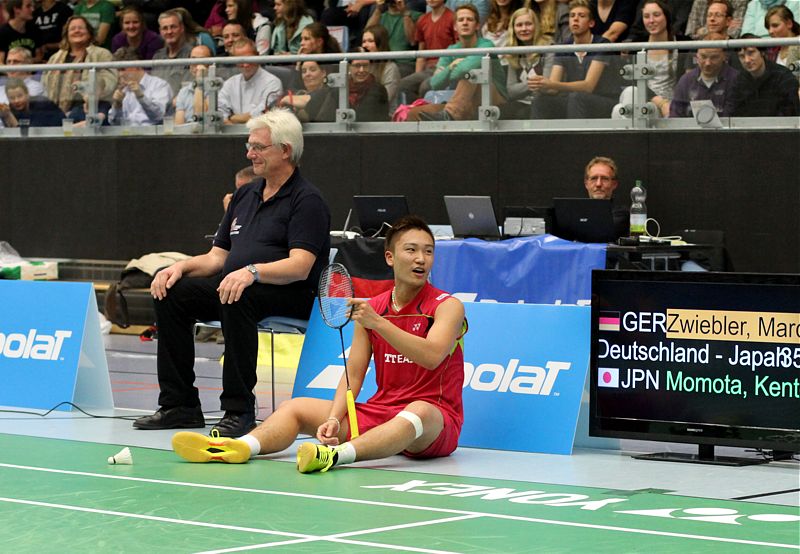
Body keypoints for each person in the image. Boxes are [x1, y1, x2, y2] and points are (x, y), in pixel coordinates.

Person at [171, 214, 468, 475]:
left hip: (435, 424)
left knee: (420, 410)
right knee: (296, 407)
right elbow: (354, 372)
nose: (421, 259)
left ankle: (334, 456)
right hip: (382, 413)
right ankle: (239, 448)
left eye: (428, 252)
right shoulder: (374, 307)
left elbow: (431, 356)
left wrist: (379, 323)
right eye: (412, 250)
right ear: (390, 257)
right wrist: (333, 418)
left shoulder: (446, 306)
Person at [133, 108, 331, 437]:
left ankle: (238, 411)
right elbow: (216, 257)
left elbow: (301, 265)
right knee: (174, 293)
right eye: (248, 146)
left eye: (258, 147)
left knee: (238, 294)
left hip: (294, 294)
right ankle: (179, 404)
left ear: (285, 150)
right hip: (240, 286)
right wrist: (179, 267)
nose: (249, 153)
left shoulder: (307, 200)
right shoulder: (245, 195)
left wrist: (252, 272)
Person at [410, 4, 507, 121]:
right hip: (463, 103)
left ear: (477, 26)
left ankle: (451, 114)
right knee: (415, 113)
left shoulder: (486, 45)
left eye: (469, 19)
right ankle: (446, 122)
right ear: (455, 26)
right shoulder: (451, 50)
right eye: (461, 20)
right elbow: (435, 83)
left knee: (471, 75)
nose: (465, 23)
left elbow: (464, 70)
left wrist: (451, 71)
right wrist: (450, 67)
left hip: (494, 100)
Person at [529, 0, 623, 119]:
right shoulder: (564, 47)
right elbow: (553, 88)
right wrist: (541, 84)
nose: (575, 19)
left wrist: (552, 84)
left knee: (576, 97)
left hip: (605, 101)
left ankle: (574, 138)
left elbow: (588, 86)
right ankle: (539, 138)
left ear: (591, 23)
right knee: (541, 101)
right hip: (575, 101)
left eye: (581, 16)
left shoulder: (601, 44)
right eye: (572, 16)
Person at [614, 0, 684, 117]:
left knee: (618, 110)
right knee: (630, 93)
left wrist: (664, 104)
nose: (651, 21)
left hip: (669, 105)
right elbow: (633, 81)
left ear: (666, 16)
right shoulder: (636, 46)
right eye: (646, 16)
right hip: (644, 98)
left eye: (656, 15)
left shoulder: (682, 44)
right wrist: (658, 101)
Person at [42, 15, 117, 120]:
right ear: (66, 34)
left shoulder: (102, 54)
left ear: (89, 33)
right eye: (72, 29)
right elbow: (44, 84)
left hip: (88, 107)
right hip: (56, 110)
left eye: (81, 28)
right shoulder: (54, 58)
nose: (77, 31)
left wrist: (93, 87)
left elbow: (110, 81)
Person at [396, 0, 457, 103]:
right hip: (428, 69)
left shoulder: (452, 17)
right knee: (403, 85)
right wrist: (417, 75)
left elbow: (458, 47)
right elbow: (421, 53)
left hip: (446, 67)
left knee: (425, 86)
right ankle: (409, 114)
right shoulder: (423, 20)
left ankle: (425, 114)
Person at [669, 32, 739, 117]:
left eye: (714, 57)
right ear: (697, 56)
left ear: (724, 56)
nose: (707, 63)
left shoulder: (736, 80)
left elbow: (734, 117)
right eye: (703, 56)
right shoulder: (686, 80)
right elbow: (675, 115)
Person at [501, 7, 552, 119]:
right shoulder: (513, 52)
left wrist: (523, 87)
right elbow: (510, 91)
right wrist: (533, 83)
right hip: (521, 103)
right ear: (513, 29)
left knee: (525, 112)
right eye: (519, 25)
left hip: (545, 102)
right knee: (498, 112)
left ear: (536, 26)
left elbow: (547, 85)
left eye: (528, 24)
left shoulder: (549, 48)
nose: (524, 29)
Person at [219, 38, 284, 124]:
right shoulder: (230, 83)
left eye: (249, 59)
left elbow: (263, 113)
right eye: (240, 61)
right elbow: (220, 111)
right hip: (233, 132)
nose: (245, 65)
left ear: (257, 55)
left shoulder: (272, 82)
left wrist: (233, 118)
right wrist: (227, 120)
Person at [731, 36, 800, 116]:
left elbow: (791, 113)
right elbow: (735, 114)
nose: (747, 60)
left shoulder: (783, 76)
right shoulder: (739, 80)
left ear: (762, 52)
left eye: (751, 53)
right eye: (742, 56)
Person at [108, 47, 173, 126]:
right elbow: (114, 123)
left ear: (137, 65)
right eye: (118, 70)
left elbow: (158, 116)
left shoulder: (160, 85)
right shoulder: (124, 91)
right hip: (127, 135)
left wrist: (141, 97)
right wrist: (117, 106)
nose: (120, 74)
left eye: (123, 69)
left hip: (153, 136)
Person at [365, 0, 422, 75]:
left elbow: (412, 41)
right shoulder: (380, 17)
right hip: (382, 62)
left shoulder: (417, 16)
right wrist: (378, 9)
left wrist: (405, 13)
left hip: (404, 63)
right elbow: (366, 35)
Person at [152, 10, 196, 101]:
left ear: (182, 28)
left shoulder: (192, 55)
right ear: (160, 31)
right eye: (165, 28)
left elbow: (190, 90)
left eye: (173, 27)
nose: (169, 31)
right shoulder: (157, 56)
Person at [583, 156, 629, 239]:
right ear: (586, 184)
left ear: (614, 184)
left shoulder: (622, 214)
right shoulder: (574, 212)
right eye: (594, 178)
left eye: (604, 179)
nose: (598, 184)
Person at [361, 24, 402, 109]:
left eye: (370, 41)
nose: (365, 45)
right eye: (364, 41)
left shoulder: (391, 68)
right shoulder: (362, 67)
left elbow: (385, 99)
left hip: (384, 114)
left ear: (381, 43)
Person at [174, 44, 214, 124]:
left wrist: (199, 80)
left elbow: (202, 117)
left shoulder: (217, 87)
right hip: (187, 134)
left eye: (202, 60)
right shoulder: (184, 91)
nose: (196, 64)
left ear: (210, 65)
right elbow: (179, 124)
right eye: (193, 60)